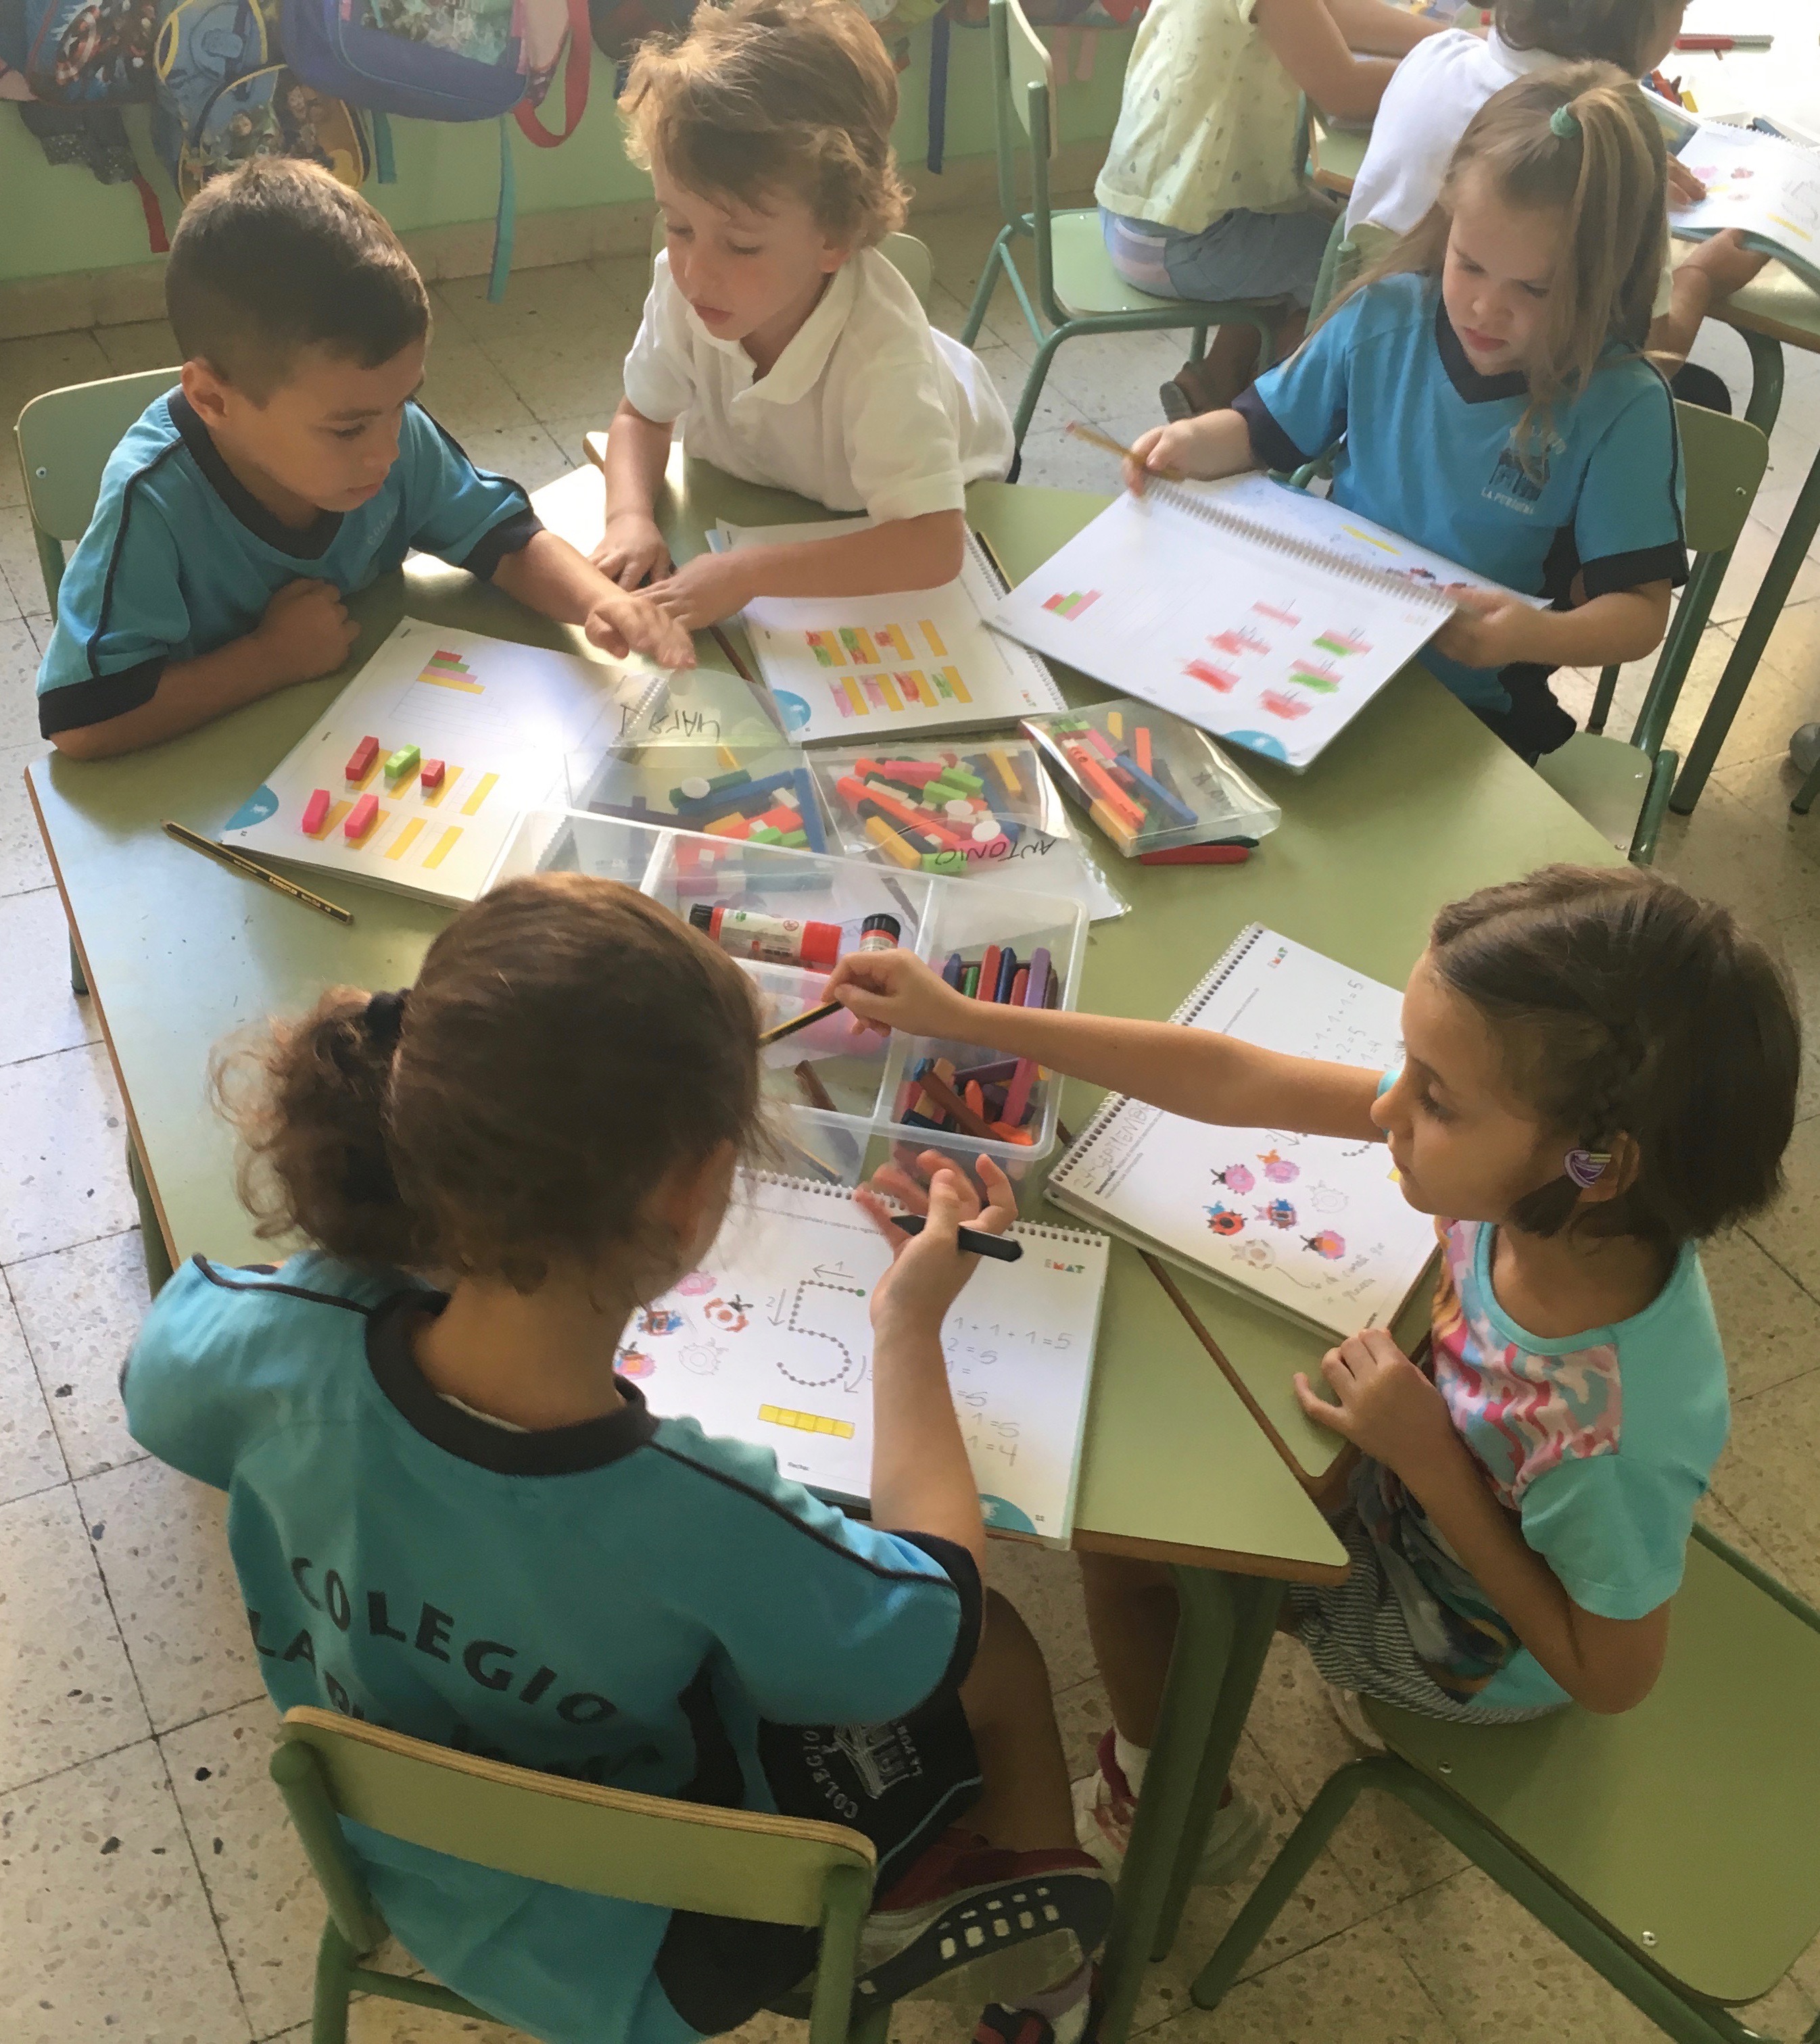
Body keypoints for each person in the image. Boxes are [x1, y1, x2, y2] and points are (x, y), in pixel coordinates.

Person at [120, 874, 1111, 2044]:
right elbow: (938, 1608)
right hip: (673, 1939)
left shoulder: (271, 1348)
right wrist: (908, 1326)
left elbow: (157, 1390)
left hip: (404, 1856)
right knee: (1001, 1649)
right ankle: (1041, 1976)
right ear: (691, 1195)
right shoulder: (701, 1512)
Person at [825, 865, 1800, 1859]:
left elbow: (1610, 1677)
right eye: (1406, 1071)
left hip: (1463, 1637)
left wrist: (1428, 1455)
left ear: (1597, 1164)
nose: (1386, 1112)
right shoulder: (1568, 1205)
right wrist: (967, 1018)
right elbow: (1237, 1079)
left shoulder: (1609, 1438)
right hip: (1421, 1470)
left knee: (1131, 1553)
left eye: (1436, 1100)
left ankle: (1173, 1812)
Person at [1122, 65, 1689, 762]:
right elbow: (1259, 432)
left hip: (1469, 713)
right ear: (1447, 223)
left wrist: (1531, 635)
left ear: (1606, 277)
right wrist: (1186, 442)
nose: (1485, 308)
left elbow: (1639, 612)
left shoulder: (1622, 408)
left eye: (1535, 289)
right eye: (1469, 264)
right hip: (1313, 655)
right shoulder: (1384, 318)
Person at [37, 160, 692, 759]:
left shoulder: (388, 433)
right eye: (348, 429)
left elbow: (504, 538)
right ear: (212, 399)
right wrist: (270, 659)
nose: (387, 451)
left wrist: (599, 601)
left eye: (403, 403)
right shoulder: (152, 503)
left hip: (357, 732)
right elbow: (82, 721)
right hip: (210, 776)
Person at [593, 0, 1013, 632]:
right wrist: (628, 518)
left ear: (834, 238)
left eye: (742, 246)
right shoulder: (683, 290)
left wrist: (748, 574)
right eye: (678, 227)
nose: (695, 274)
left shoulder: (881, 353)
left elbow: (931, 545)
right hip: (776, 493)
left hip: (948, 492)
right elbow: (640, 416)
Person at [1345, 0, 1767, 414]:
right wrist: (1702, 277)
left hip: (1372, 378)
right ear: (1646, 19)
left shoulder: (1435, 54)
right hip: (1514, 414)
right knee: (1707, 397)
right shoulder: (1619, 167)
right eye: (1682, 9)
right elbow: (1651, 356)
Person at [1095, 0, 1445, 422]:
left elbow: (1329, 12)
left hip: (1136, 218)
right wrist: (1444, 71)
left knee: (1311, 226)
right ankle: (1261, 418)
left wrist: (1449, 43)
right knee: (1357, 265)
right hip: (1178, 243)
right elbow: (1342, 90)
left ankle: (1216, 381)